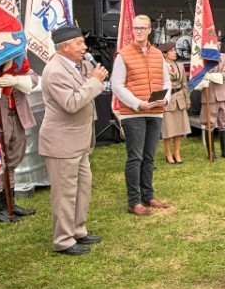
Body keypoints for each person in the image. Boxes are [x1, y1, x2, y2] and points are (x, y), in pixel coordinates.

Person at [38, 25, 108, 256]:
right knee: (65, 194)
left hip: (79, 141)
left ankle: (78, 230)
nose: (84, 47)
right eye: (79, 43)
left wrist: (91, 79)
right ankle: (63, 240)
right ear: (64, 46)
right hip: (62, 143)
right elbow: (71, 103)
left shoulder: (75, 67)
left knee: (82, 189)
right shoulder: (55, 71)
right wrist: (95, 82)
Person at [112, 14, 172, 215]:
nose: (138, 31)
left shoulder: (157, 54)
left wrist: (166, 98)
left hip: (156, 112)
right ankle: (134, 201)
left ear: (149, 30)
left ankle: (148, 196)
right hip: (133, 113)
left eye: (142, 28)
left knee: (149, 157)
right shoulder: (123, 55)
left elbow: (166, 82)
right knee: (135, 157)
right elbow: (117, 86)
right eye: (135, 28)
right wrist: (138, 104)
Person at [0, 56, 39, 224]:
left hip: (16, 116)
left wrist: (16, 80)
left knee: (13, 159)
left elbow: (34, 79)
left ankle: (11, 202)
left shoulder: (17, 60)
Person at [159, 41, 191, 165]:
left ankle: (177, 153)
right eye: (172, 51)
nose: (175, 53)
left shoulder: (180, 65)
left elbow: (184, 84)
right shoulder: (159, 67)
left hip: (179, 100)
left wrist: (187, 100)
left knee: (179, 129)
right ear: (165, 54)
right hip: (167, 100)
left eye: (174, 50)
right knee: (168, 130)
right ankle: (168, 154)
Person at [204, 42, 225, 158]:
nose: (217, 47)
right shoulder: (203, 58)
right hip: (209, 94)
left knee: (224, 121)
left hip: (223, 94)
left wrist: (210, 76)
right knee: (209, 123)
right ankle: (211, 152)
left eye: (218, 45)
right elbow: (200, 74)